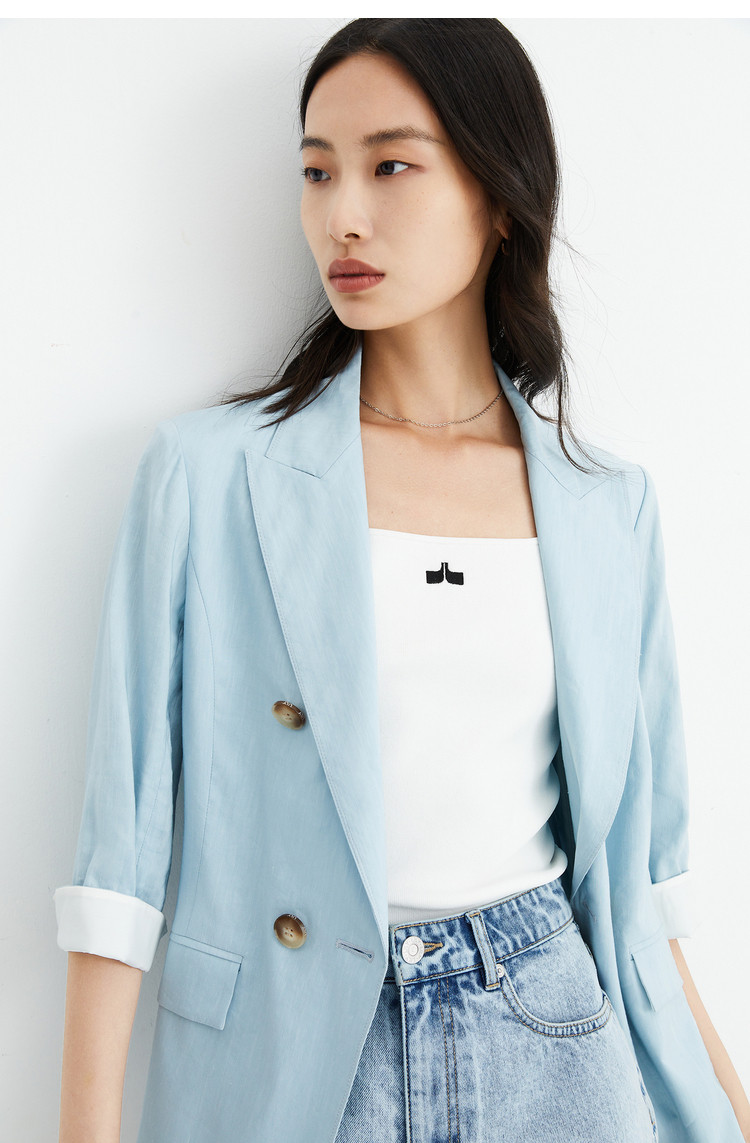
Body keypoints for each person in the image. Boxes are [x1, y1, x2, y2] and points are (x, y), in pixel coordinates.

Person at [54, 18, 749, 1143]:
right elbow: (117, 871)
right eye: (317, 171)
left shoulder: (605, 506)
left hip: (552, 1033)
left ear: (500, 194)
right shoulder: (209, 477)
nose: (343, 215)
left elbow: (643, 900)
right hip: (294, 1057)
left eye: (391, 166)